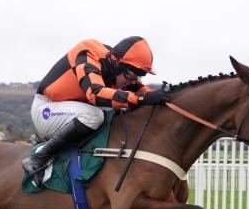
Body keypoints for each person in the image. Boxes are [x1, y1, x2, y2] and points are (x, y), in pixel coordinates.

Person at [22, 36, 171, 186]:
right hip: (47, 109)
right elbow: (95, 93)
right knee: (94, 115)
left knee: (119, 110)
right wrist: (142, 98)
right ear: (117, 64)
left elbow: (140, 89)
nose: (131, 81)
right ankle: (39, 158)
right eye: (130, 75)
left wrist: (165, 95)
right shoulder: (87, 54)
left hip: (71, 109)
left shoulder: (116, 65)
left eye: (137, 76)